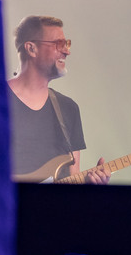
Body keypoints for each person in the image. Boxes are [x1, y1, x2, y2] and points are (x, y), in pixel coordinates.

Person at [8, 15, 109, 184]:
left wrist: (89, 185)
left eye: (67, 44)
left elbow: (73, 179)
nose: (67, 51)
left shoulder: (68, 108)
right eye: (58, 44)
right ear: (31, 48)